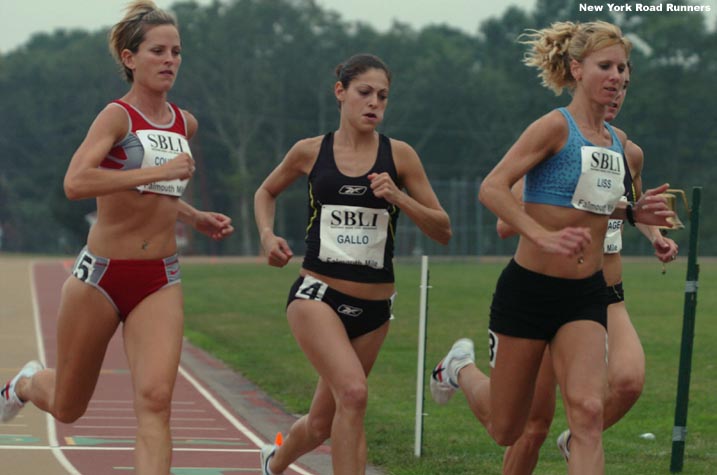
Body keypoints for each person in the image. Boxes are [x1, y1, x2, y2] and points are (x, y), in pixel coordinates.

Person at [428, 21, 673, 475]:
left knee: (588, 413)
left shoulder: (618, 145)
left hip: (584, 296)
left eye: (623, 67)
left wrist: (638, 217)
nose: (618, 75)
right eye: (606, 66)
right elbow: (493, 188)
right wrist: (539, 234)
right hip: (529, 292)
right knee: (508, 428)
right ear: (577, 69)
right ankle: (460, 368)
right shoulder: (553, 128)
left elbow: (596, 210)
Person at [0, 2, 233, 474]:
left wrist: (194, 216)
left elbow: (158, 193)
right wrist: (157, 169)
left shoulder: (185, 123)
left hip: (159, 278)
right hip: (101, 277)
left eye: (176, 52)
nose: (169, 60)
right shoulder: (117, 117)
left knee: (155, 400)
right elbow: (76, 183)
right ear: (130, 59)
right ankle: (25, 383)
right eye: (157, 51)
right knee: (68, 406)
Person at [254, 53, 451, 475]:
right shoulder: (309, 151)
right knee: (354, 394)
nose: (374, 103)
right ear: (340, 93)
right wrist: (267, 235)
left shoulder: (400, 157)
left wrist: (399, 197)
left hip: (375, 311)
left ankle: (274, 462)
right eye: (364, 93)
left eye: (382, 96)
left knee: (323, 422)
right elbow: (265, 192)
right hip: (317, 294)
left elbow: (442, 229)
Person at [496, 67, 680, 474]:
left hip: (600, 292)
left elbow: (630, 207)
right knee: (525, 425)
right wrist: (552, 207)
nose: (616, 93)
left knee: (616, 391)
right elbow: (503, 223)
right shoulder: (554, 138)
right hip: (542, 284)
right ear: (582, 78)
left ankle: (576, 440)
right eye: (609, 78)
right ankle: (458, 369)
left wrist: (654, 237)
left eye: (626, 85)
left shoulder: (627, 152)